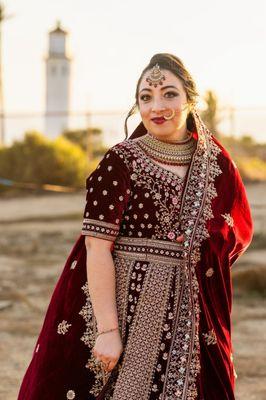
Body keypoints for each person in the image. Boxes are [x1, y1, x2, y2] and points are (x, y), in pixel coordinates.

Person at [17, 53, 253, 400]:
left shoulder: (217, 164)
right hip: (124, 313)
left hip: (193, 319)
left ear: (191, 99)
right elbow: (96, 247)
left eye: (169, 94)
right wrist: (107, 331)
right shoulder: (121, 160)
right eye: (146, 97)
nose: (157, 106)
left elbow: (229, 240)